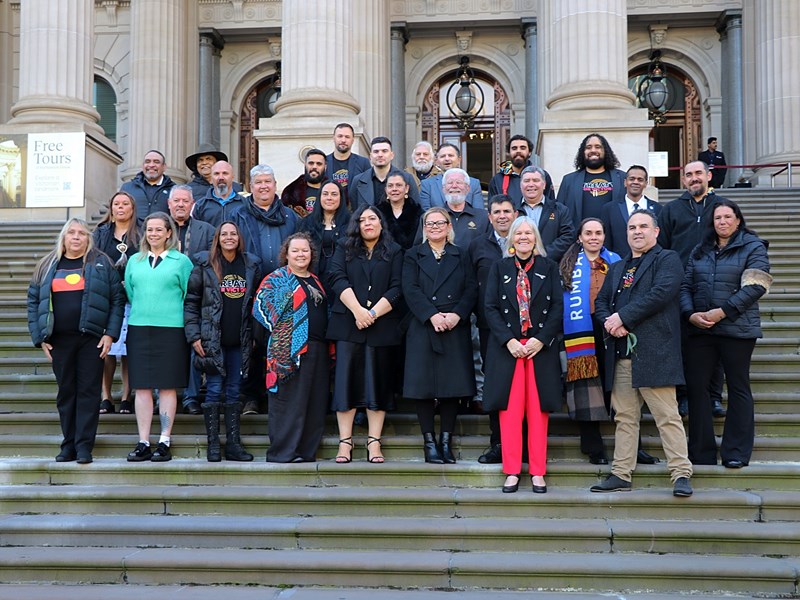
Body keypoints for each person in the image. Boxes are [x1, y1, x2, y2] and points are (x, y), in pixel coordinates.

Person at [591, 210, 694, 497]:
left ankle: (681, 473)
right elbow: (600, 303)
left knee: (667, 416)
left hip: (655, 352)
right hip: (621, 353)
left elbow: (660, 294)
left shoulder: (668, 260)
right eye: (632, 227)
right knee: (625, 417)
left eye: (643, 226)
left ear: (656, 231)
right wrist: (611, 324)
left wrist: (622, 317)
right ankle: (621, 473)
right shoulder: (617, 267)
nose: (637, 232)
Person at [680, 200, 771, 468]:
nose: (722, 221)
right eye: (717, 217)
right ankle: (701, 453)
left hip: (737, 329)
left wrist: (723, 311)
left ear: (738, 220)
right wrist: (690, 314)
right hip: (701, 330)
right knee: (697, 389)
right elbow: (686, 285)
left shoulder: (753, 246)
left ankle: (735, 452)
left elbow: (756, 286)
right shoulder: (701, 249)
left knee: (738, 386)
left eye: (727, 217)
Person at [27, 219, 125, 464]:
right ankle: (68, 444)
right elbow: (32, 302)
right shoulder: (47, 265)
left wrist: (109, 334)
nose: (76, 237)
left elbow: (117, 301)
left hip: (91, 340)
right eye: (71, 232)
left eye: (82, 233)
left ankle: (84, 447)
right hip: (59, 341)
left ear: (88, 239)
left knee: (89, 393)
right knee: (66, 393)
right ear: (63, 237)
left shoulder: (101, 263)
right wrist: (40, 338)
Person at [482, 216, 563, 494]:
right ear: (512, 239)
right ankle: (512, 471)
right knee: (510, 413)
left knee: (538, 413)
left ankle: (538, 471)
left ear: (535, 238)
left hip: (539, 350)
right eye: (519, 234)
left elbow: (557, 310)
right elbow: (490, 307)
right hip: (509, 351)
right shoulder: (499, 267)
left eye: (529, 233)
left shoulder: (549, 267)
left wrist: (540, 340)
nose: (524, 237)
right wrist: (509, 341)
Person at [327, 205, 404, 463]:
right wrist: (358, 311)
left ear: (382, 223)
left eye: (373, 219)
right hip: (348, 323)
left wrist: (371, 315)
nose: (368, 223)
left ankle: (374, 443)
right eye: (362, 220)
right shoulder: (344, 247)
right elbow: (336, 277)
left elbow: (397, 287)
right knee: (346, 385)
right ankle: (345, 443)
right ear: (356, 225)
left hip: (382, 326)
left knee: (378, 384)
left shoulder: (394, 251)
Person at [402, 207, 477, 464]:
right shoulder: (413, 255)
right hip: (424, 326)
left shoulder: (461, 254)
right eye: (429, 224)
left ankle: (446, 440)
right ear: (424, 228)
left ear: (448, 227)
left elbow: (470, 288)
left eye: (439, 223)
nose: (434, 227)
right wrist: (431, 315)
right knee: (423, 387)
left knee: (450, 387)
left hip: (454, 326)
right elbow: (409, 288)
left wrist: (457, 314)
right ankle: (429, 442)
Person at [184, 221, 261, 462]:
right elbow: (191, 302)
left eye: (233, 234)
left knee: (234, 390)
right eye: (224, 234)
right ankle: (214, 444)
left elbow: (257, 303)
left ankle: (234, 445)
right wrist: (194, 335)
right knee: (214, 389)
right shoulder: (205, 264)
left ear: (239, 237)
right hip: (211, 338)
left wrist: (255, 336)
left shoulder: (251, 265)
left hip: (240, 339)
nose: (229, 238)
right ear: (217, 238)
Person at [658, 160, 727, 417]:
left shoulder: (722, 207)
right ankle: (684, 395)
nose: (694, 178)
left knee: (715, 341)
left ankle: (713, 396)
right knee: (683, 343)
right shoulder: (671, 210)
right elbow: (662, 247)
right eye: (689, 175)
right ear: (683, 179)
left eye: (698, 173)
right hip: (681, 285)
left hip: (716, 281)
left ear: (709, 176)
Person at [253, 233, 330, 463]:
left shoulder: (316, 280)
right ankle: (283, 452)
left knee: (314, 402)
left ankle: (305, 451)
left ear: (311, 253)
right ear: (286, 254)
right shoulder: (276, 279)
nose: (300, 254)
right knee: (289, 402)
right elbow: (260, 311)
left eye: (305, 250)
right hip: (287, 351)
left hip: (318, 349)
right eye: (295, 250)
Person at [124, 212, 194, 462]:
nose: (153, 234)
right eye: (149, 230)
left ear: (168, 233)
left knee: (167, 386)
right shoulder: (135, 260)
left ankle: (164, 439)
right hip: (140, 327)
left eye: (158, 230)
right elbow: (131, 292)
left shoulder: (182, 261)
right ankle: (143, 440)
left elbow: (189, 294)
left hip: (171, 329)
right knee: (141, 386)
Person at [234, 164, 299, 416]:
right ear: (251, 186)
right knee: (253, 343)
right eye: (258, 182)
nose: (263, 186)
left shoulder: (290, 216)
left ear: (275, 185)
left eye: (268, 181)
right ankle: (251, 396)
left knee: (280, 344)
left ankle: (278, 395)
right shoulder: (238, 215)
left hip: (283, 292)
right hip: (250, 290)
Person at [559, 218, 620, 464]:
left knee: (616, 382)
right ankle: (592, 442)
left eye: (598, 232)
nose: (594, 237)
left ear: (604, 236)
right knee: (586, 383)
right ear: (580, 237)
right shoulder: (567, 264)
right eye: (588, 233)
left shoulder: (616, 261)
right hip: (580, 329)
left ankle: (629, 445)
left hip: (612, 327)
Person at [469, 194, 516, 464]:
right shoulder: (478, 246)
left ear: (515, 213)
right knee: (495, 386)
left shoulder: (526, 241)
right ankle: (497, 441)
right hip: (489, 328)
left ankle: (522, 440)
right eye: (496, 211)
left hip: (524, 330)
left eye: (506, 211)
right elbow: (469, 283)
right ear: (489, 217)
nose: (501, 216)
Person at [168, 184, 216, 415]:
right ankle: (164, 395)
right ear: (169, 204)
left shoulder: (206, 230)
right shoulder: (159, 228)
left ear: (192, 205)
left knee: (194, 346)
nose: (180, 205)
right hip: (165, 299)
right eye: (176, 201)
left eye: (185, 201)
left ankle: (191, 397)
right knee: (165, 347)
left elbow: (210, 260)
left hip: (197, 297)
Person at [92, 191, 140, 415]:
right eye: (116, 204)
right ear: (111, 208)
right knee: (108, 349)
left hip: (134, 297)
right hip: (108, 298)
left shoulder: (140, 232)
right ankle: (106, 396)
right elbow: (93, 261)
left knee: (129, 349)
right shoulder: (101, 233)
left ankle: (126, 396)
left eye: (125, 204)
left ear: (132, 208)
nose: (120, 207)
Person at [556, 133, 627, 230]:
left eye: (598, 147)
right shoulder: (569, 180)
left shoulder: (622, 178)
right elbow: (559, 213)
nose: (593, 150)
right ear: (583, 152)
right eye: (589, 147)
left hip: (614, 239)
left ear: (605, 151)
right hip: (579, 240)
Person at [600, 165, 662, 258]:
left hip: (650, 263)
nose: (635, 182)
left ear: (645, 183)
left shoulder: (658, 209)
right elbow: (606, 241)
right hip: (619, 264)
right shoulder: (609, 209)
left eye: (640, 179)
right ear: (625, 182)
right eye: (632, 179)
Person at [517, 166, 575, 262]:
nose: (531, 184)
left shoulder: (560, 210)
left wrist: (544, 253)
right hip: (519, 266)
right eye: (527, 181)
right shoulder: (512, 211)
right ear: (520, 185)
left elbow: (568, 236)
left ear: (544, 185)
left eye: (535, 180)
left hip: (551, 267)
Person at [297, 180, 352, 282]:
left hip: (344, 280)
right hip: (312, 279)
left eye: (334, 194)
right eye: (325, 194)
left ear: (341, 198)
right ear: (319, 197)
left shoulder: (352, 223)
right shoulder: (306, 223)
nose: (329, 198)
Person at [349, 137, 420, 210]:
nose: (380, 155)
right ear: (370, 156)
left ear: (392, 155)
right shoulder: (358, 181)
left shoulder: (407, 179)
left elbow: (416, 210)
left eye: (384, 151)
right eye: (376, 151)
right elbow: (355, 211)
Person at [487, 134, 555, 203]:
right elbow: (493, 208)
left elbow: (551, 205)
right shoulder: (497, 180)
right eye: (514, 148)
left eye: (522, 148)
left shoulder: (542, 176)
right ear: (508, 153)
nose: (518, 151)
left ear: (530, 152)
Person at [419, 143, 484, 210]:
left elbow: (479, 212)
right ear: (437, 161)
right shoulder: (427, 184)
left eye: (450, 155)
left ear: (459, 159)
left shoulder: (473, 183)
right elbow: (425, 214)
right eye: (442, 156)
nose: (447, 159)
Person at [121, 150, 176, 221]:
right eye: (147, 162)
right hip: (133, 232)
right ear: (143, 165)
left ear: (164, 167)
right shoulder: (127, 188)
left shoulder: (173, 190)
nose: (151, 165)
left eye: (156, 162)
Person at [326, 123, 371, 207]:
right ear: (333, 138)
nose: (343, 140)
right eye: (340, 136)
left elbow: (368, 191)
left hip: (355, 213)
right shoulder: (323, 162)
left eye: (347, 137)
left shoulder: (363, 162)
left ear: (353, 140)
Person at [375, 171, 423, 250]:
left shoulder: (418, 213)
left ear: (406, 188)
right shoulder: (377, 213)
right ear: (386, 190)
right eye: (390, 186)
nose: (394, 189)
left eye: (399, 185)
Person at [193, 161, 247, 229]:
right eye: (216, 174)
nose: (221, 177)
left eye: (225, 173)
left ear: (232, 177)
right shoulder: (200, 205)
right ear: (211, 178)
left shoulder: (244, 204)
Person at [281, 148, 328, 217]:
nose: (314, 167)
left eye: (319, 164)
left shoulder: (334, 191)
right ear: (305, 165)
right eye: (311, 163)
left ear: (325, 167)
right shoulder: (290, 193)